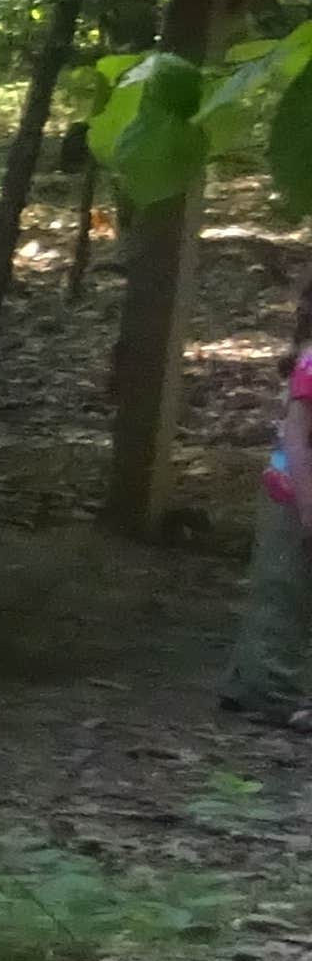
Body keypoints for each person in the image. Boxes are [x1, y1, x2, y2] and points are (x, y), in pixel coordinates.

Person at [225, 273, 312, 713]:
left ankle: (245, 681)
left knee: (284, 588)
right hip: (295, 491)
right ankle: (274, 694)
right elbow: (298, 438)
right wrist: (307, 505)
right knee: (285, 592)